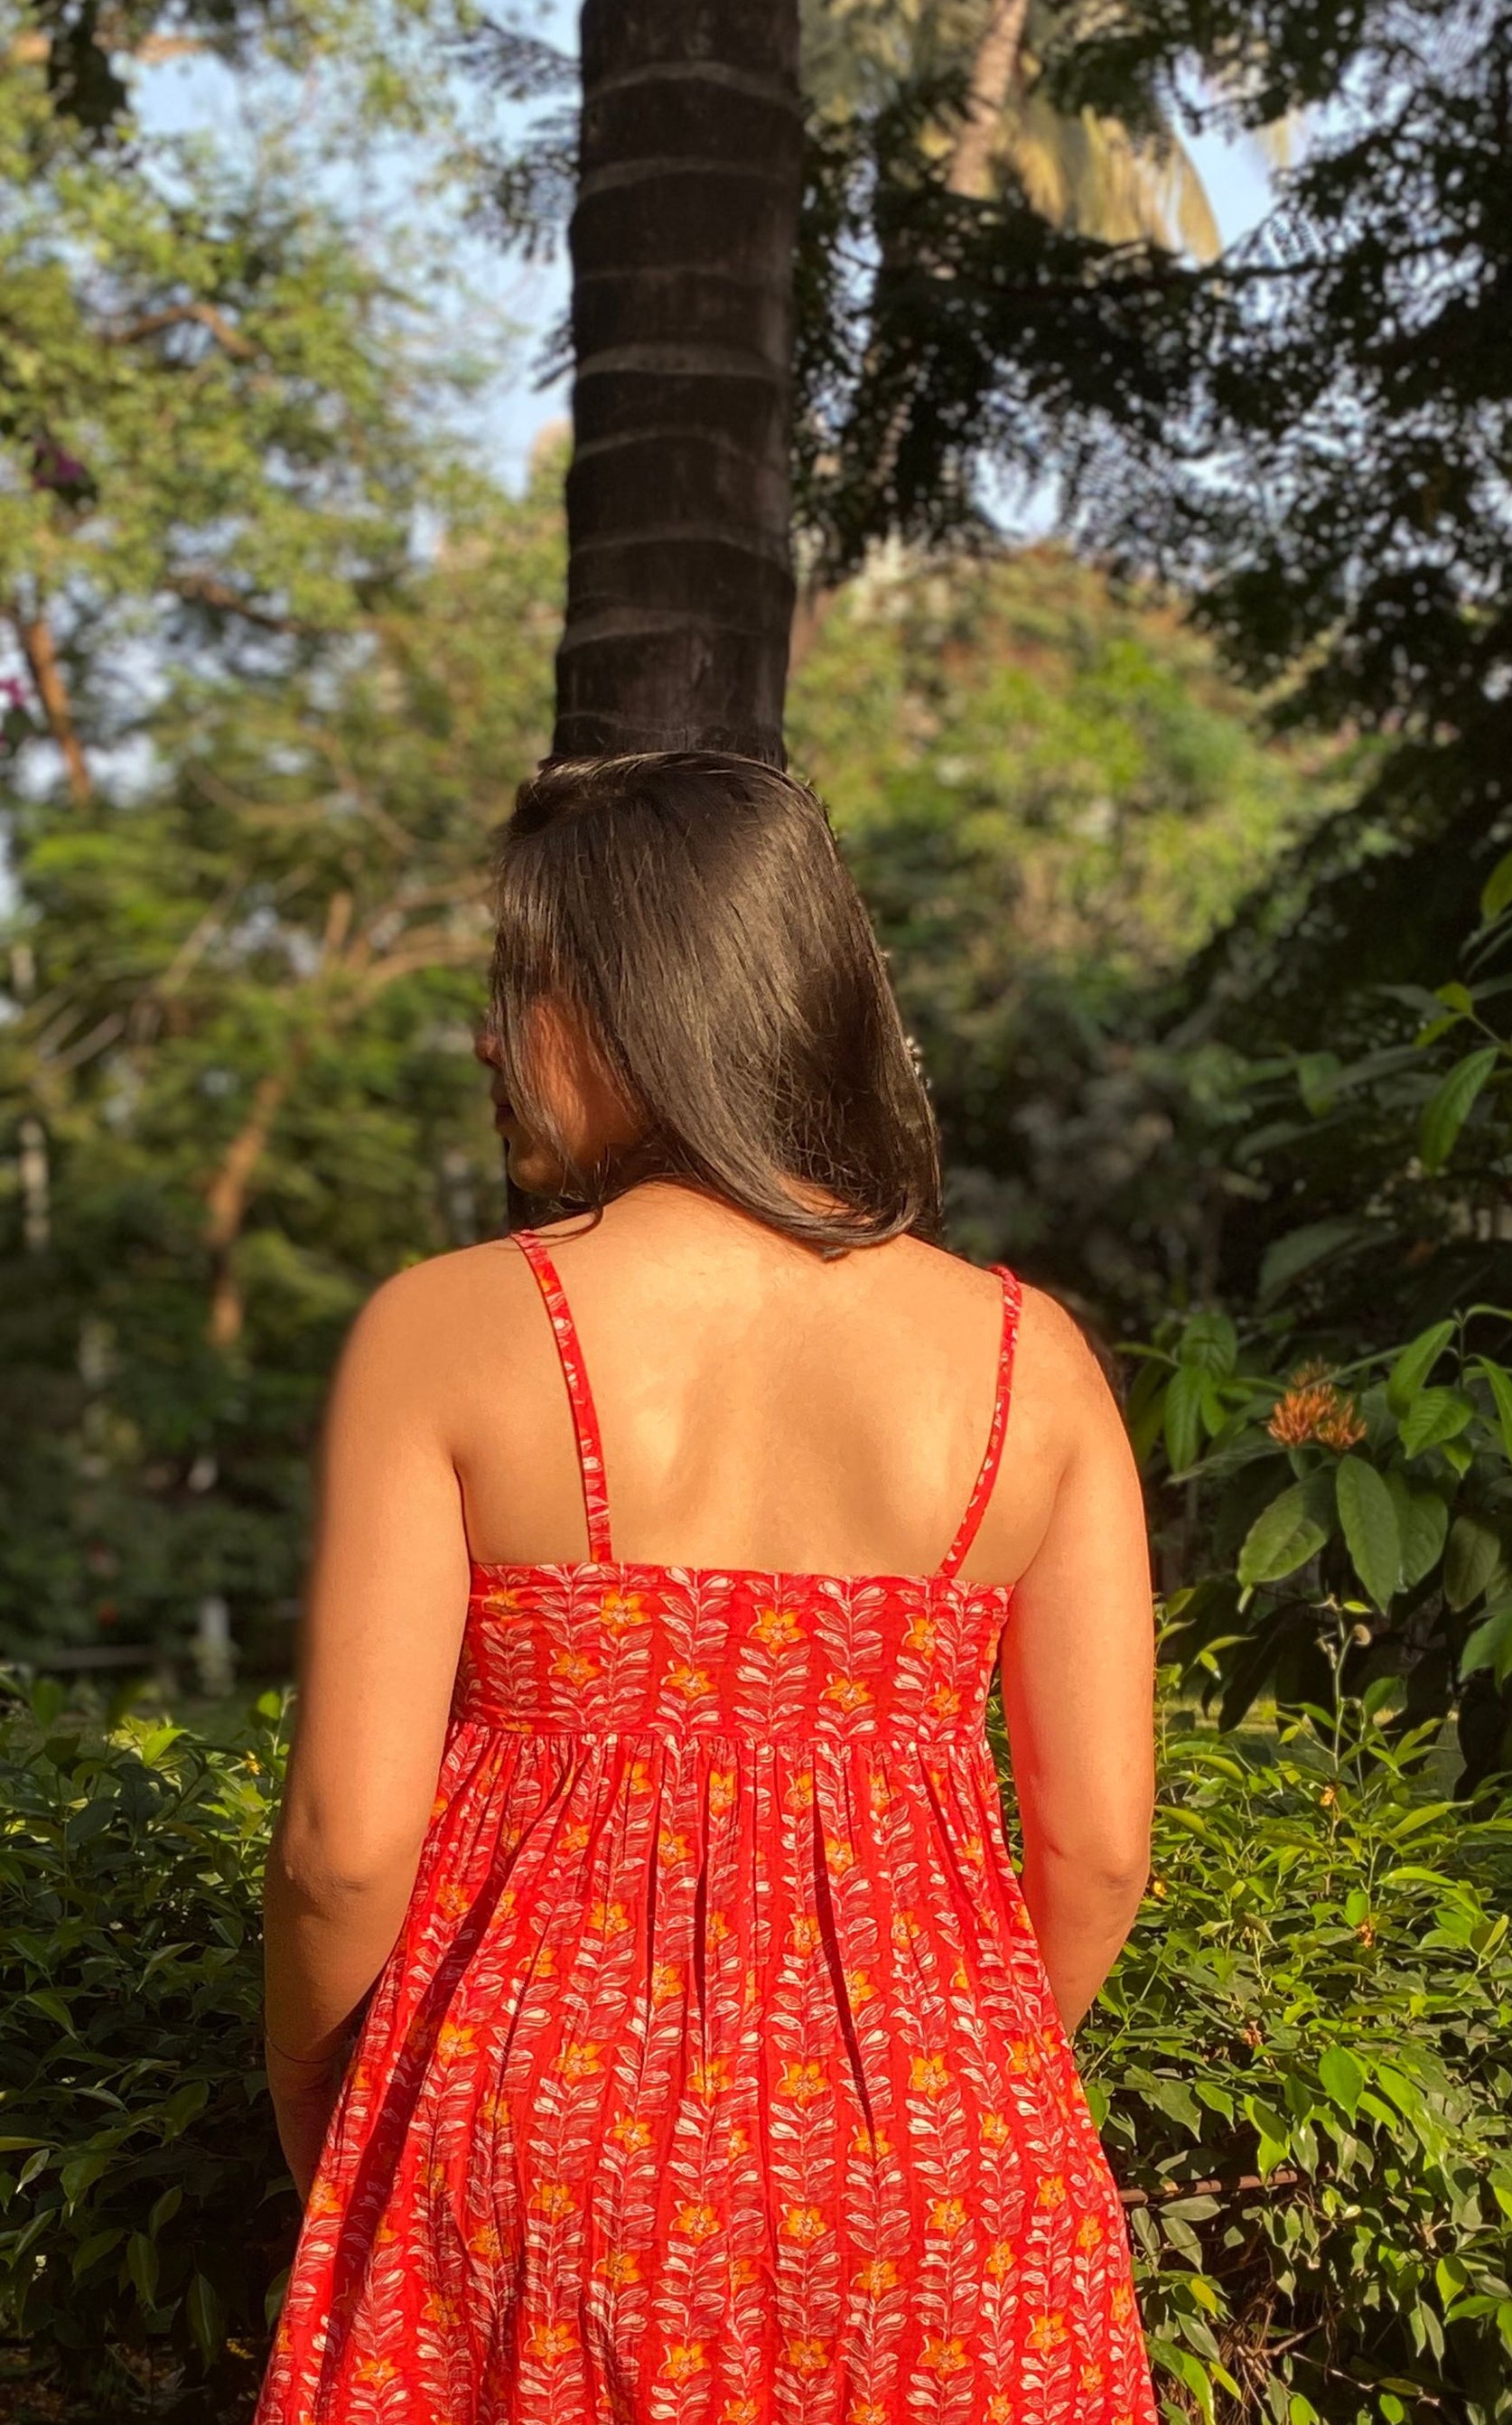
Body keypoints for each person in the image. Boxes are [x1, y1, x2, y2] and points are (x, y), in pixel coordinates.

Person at [254, 750, 1159, 2424]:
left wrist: (322, 2098)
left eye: (520, 986)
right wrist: (945, 2068)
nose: (491, 1038)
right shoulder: (1038, 1363)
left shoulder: (447, 1331)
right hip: (940, 2157)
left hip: (530, 2140)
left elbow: (344, 1845)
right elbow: (1097, 1845)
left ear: (631, 1000)